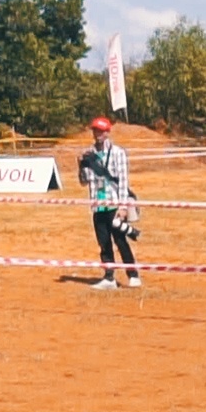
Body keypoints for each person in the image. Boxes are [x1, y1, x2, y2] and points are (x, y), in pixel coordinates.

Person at [78, 116, 140, 289]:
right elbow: (84, 181)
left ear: (107, 132)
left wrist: (122, 206)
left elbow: (123, 180)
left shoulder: (118, 153)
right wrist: (81, 166)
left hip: (114, 203)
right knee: (104, 243)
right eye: (95, 130)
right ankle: (109, 277)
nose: (98, 134)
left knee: (120, 240)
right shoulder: (89, 155)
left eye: (101, 131)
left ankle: (133, 274)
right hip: (98, 204)